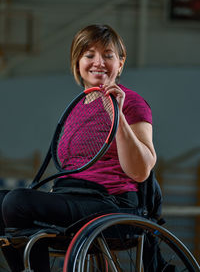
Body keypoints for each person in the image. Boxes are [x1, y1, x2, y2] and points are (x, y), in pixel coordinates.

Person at [0, 24, 157, 272]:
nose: (99, 62)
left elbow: (140, 171)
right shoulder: (76, 108)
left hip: (111, 204)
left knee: (17, 201)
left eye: (108, 55)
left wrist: (116, 113)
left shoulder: (132, 103)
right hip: (74, 198)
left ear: (120, 63)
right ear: (77, 61)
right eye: (89, 54)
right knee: (3, 201)